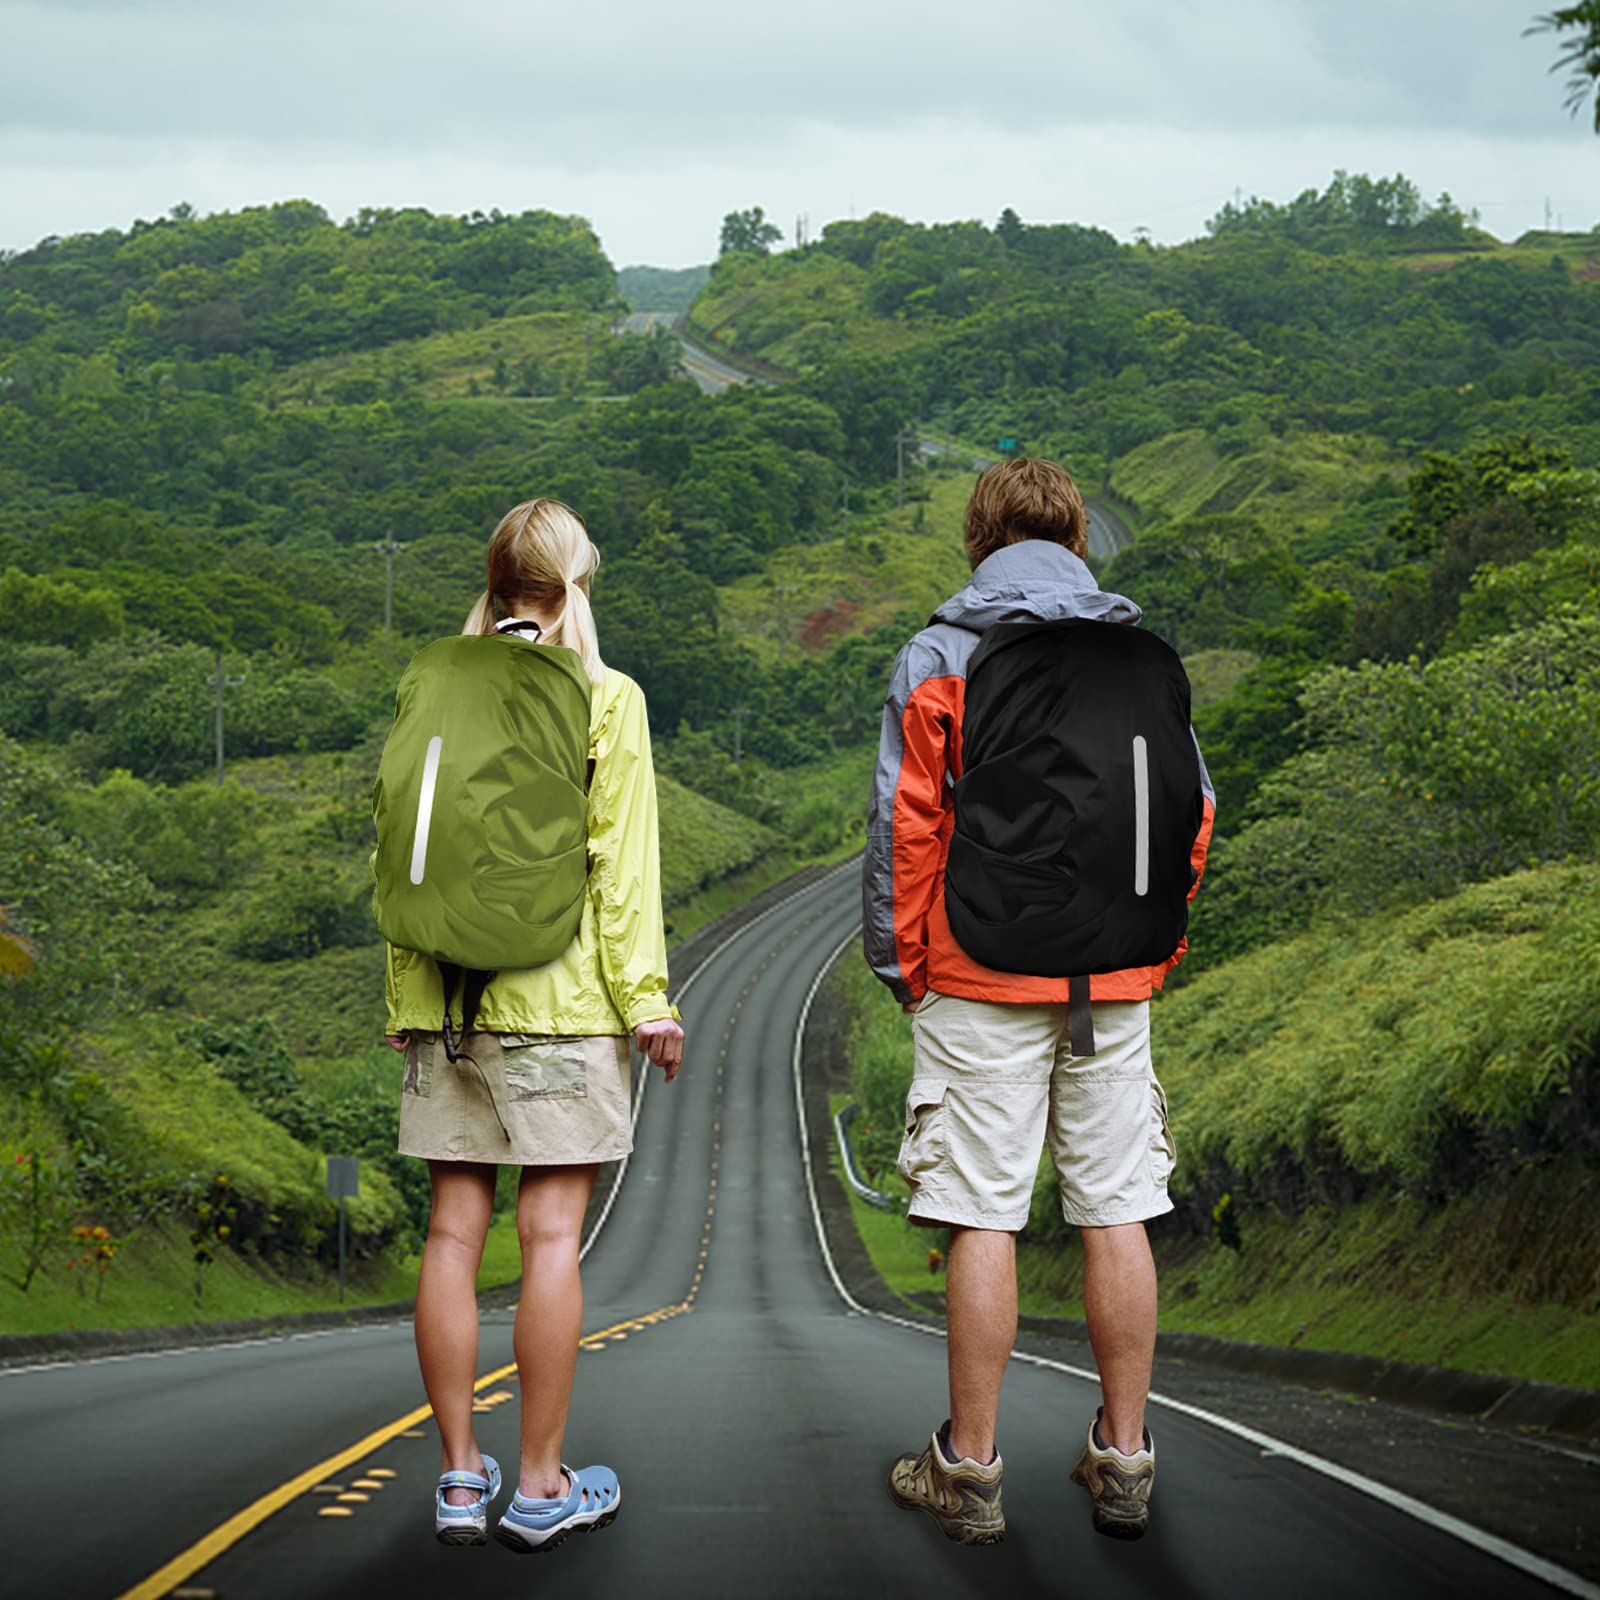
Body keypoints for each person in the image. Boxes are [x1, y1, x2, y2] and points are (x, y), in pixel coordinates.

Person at [863, 457, 1214, 1546]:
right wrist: (1151, 946)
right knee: (1115, 1204)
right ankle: (1124, 1458)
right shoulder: (1142, 656)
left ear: (979, 540)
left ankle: (968, 1469)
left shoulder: (944, 651)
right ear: (1076, 538)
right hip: (1115, 973)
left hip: (978, 969)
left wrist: (904, 966)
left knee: (981, 1212)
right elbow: (1193, 814)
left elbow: (903, 828)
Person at [382, 497, 685, 1553]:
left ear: (497, 583)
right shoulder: (604, 696)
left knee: (450, 1236)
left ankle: (459, 1478)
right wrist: (646, 1001)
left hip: (445, 1006)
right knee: (550, 1238)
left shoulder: (434, 687)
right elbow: (620, 866)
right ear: (575, 586)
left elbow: (401, 845)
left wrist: (404, 996)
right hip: (558, 1012)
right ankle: (542, 1483)